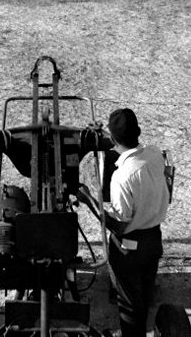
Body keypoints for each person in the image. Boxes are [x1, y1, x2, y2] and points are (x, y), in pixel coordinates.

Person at [78, 108, 169, 337]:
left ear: (113, 138)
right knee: (144, 293)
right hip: (153, 240)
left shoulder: (122, 177)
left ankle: (131, 333)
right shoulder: (155, 154)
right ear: (137, 133)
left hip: (129, 248)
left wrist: (90, 200)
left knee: (129, 303)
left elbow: (118, 225)